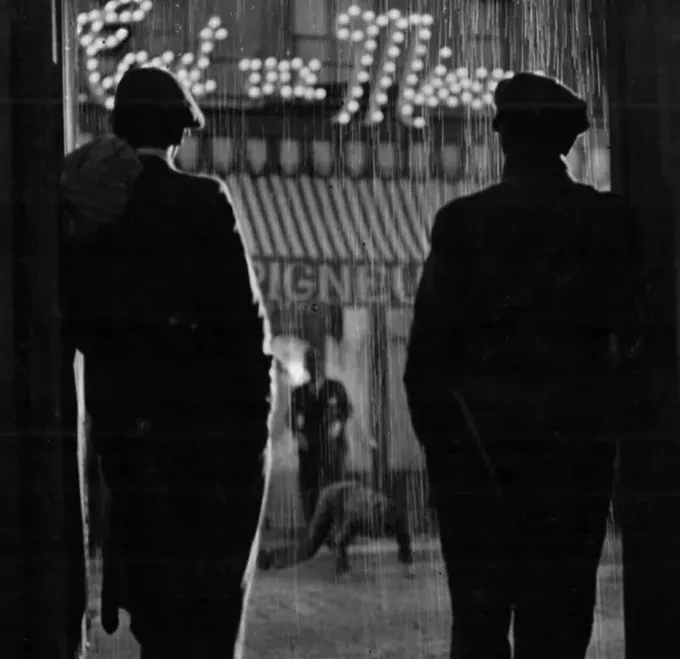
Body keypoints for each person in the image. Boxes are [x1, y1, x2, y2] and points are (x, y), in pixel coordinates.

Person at [404, 73, 647, 659]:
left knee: (480, 625)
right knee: (559, 628)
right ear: (567, 142)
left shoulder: (463, 221)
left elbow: (426, 361)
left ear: (503, 136)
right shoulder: (606, 219)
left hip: (477, 466)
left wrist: (451, 460)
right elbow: (636, 340)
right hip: (573, 464)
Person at [59, 66, 272, 658]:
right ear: (180, 133)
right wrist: (251, 435)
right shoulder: (204, 201)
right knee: (208, 619)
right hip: (209, 454)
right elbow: (247, 333)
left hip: (132, 447)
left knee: (158, 613)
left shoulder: (90, 202)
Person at [256, 479, 414, 578]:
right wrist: (343, 569)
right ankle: (268, 558)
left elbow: (405, 540)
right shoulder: (360, 516)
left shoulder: (398, 517)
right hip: (331, 498)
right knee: (310, 547)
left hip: (348, 496)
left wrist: (407, 567)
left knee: (331, 538)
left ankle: (326, 538)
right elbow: (342, 541)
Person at [288, 348, 352, 521]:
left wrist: (338, 424)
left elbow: (347, 409)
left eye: (316, 361)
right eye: (309, 361)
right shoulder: (298, 392)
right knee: (310, 488)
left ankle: (337, 527)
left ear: (322, 364)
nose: (313, 365)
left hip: (333, 448)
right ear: (305, 366)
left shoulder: (335, 387)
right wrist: (297, 435)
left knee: (336, 486)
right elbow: (291, 417)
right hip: (309, 448)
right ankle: (314, 528)